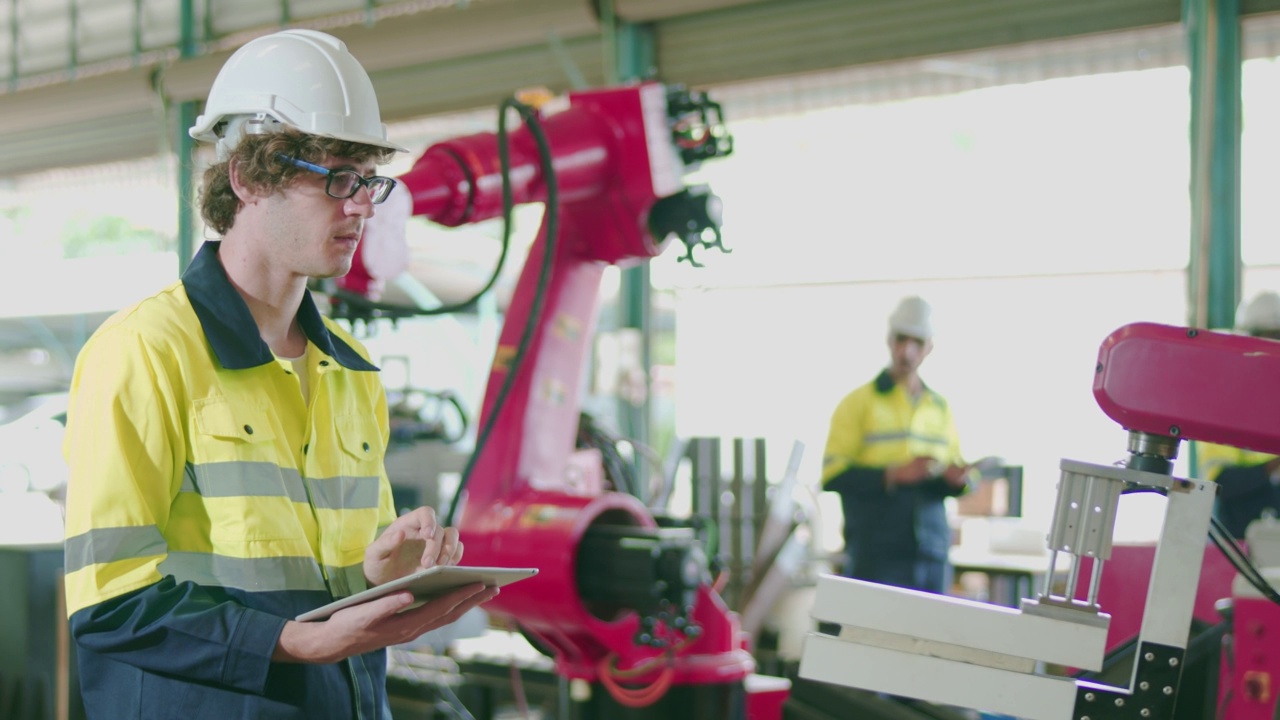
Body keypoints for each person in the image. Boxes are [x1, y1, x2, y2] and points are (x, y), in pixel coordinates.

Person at [60, 29, 498, 719]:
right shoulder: (145, 351)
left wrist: (383, 573)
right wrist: (295, 642)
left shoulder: (350, 371)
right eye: (335, 179)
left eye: (369, 181)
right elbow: (110, 602)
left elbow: (325, 587)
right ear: (247, 178)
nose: (361, 206)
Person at [821, 295, 973, 595]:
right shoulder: (856, 404)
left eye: (917, 342)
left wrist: (959, 481)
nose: (907, 351)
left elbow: (960, 468)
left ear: (929, 347)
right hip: (876, 554)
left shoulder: (940, 408)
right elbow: (833, 476)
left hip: (931, 552)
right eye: (901, 340)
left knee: (931, 637)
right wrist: (892, 474)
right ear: (890, 340)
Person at [1193, 291, 1280, 540]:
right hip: (1235, 541)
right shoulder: (1222, 405)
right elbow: (1219, 483)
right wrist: (1273, 466)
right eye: (1268, 337)